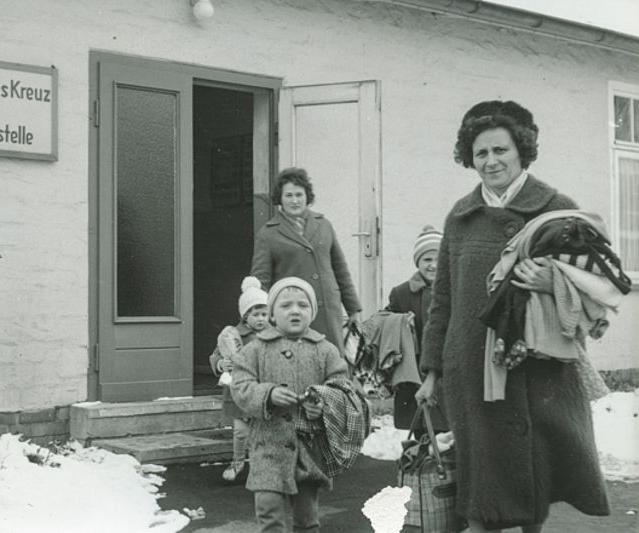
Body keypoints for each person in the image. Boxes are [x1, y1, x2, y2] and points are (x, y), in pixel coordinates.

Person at [415, 100, 609, 532]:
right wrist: (431, 371)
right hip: (472, 370)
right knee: (485, 489)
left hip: (539, 369)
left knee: (533, 482)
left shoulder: (557, 208)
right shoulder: (461, 218)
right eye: (480, 153)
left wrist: (549, 282)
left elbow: (594, 286)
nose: (490, 161)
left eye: (500, 150)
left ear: (521, 150)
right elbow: (442, 297)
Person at [231, 276, 368, 533]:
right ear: (271, 313)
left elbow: (342, 387)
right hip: (267, 447)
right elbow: (240, 386)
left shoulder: (325, 350)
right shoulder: (255, 350)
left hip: (308, 450)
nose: (295, 310)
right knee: (269, 511)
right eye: (285, 305)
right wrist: (267, 394)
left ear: (312, 312)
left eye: (302, 305)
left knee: (307, 518)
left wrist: (323, 405)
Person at [250, 167, 362, 352]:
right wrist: (264, 316)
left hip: (327, 309)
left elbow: (340, 269)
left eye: (299, 195)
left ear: (307, 196)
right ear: (280, 198)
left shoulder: (324, 225)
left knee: (333, 363)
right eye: (289, 195)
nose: (294, 201)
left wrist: (353, 309)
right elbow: (261, 280)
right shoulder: (268, 233)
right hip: (293, 312)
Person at [385, 224, 448, 432]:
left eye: (439, 259)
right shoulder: (401, 294)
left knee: (446, 430)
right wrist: (400, 323)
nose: (433, 265)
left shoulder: (454, 291)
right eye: (427, 260)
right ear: (417, 261)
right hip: (413, 374)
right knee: (417, 429)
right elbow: (384, 323)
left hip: (444, 370)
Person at [209, 276, 269, 482]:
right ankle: (237, 463)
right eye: (256, 314)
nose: (261, 319)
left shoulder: (274, 336)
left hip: (263, 390)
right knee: (241, 432)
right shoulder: (232, 335)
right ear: (245, 316)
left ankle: (261, 466)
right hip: (240, 391)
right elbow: (217, 354)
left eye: (265, 314)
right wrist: (220, 364)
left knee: (263, 431)